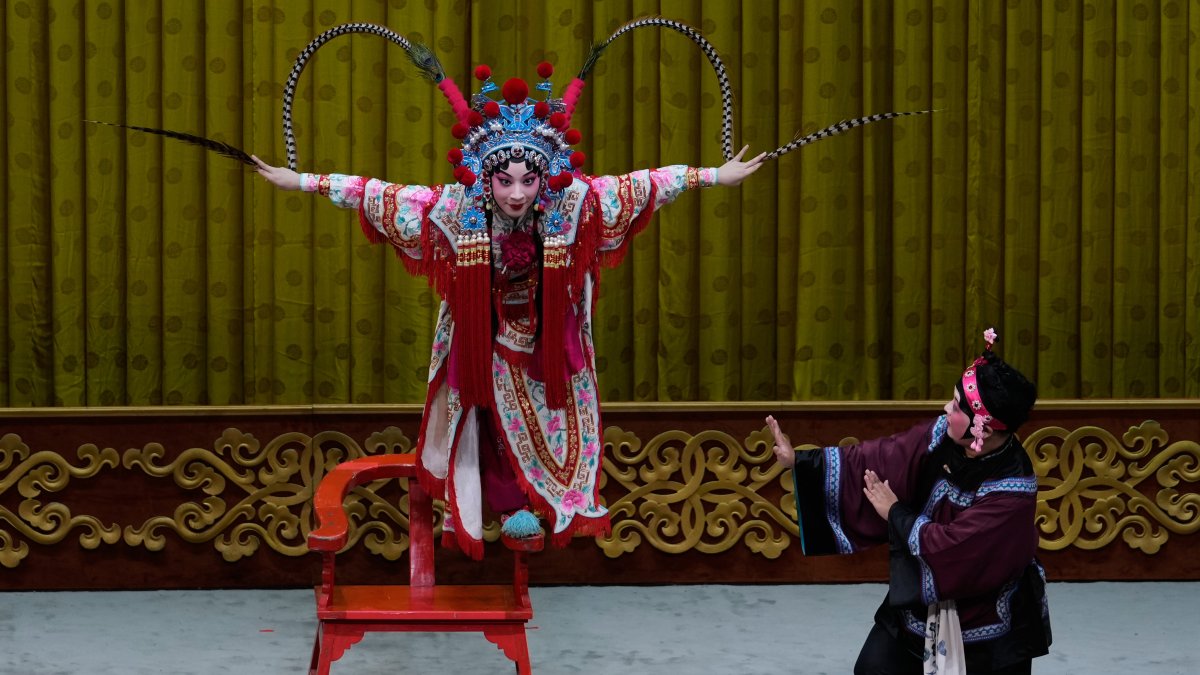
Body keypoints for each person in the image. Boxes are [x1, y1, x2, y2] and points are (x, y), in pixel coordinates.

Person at [254, 63, 765, 559]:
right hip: (482, 333)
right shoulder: (455, 206)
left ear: (546, 176)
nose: (517, 194)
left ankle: (543, 502)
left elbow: (646, 183)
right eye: (505, 181)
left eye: (528, 180)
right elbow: (376, 194)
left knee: (554, 416)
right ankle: (498, 505)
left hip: (548, 337)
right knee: (482, 413)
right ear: (486, 179)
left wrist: (716, 175)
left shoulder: (573, 202)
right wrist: (301, 182)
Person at [767, 329, 1051, 674]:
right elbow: (881, 456)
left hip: (987, 623)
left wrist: (895, 513)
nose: (946, 408)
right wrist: (801, 461)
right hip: (919, 606)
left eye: (957, 406)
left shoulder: (1013, 491)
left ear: (984, 430)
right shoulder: (941, 435)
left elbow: (954, 550)